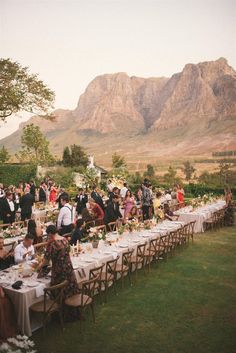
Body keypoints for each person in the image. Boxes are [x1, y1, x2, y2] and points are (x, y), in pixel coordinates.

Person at [38, 225, 78, 298]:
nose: (48, 237)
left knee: (59, 287)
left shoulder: (52, 244)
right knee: (69, 285)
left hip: (59, 270)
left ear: (50, 233)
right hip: (68, 266)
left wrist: (38, 267)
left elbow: (46, 261)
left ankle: (60, 304)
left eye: (48, 235)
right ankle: (71, 303)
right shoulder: (64, 239)